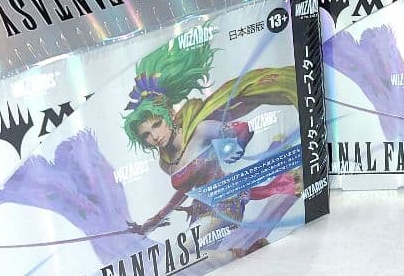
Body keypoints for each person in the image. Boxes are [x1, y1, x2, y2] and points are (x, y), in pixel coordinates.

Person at [122, 38, 301, 252]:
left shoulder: (200, 131)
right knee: (211, 256)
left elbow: (242, 128)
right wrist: (155, 220)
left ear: (169, 115)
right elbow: (185, 190)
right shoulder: (165, 161)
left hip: (225, 201)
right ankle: (250, 246)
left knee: (182, 251)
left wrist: (237, 146)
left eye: (157, 125)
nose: (155, 136)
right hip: (200, 208)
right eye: (146, 135)